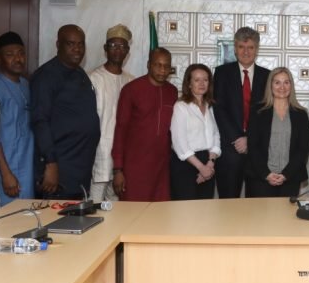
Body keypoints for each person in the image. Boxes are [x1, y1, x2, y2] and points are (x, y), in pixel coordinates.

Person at [30, 24, 100, 200]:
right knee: (56, 223)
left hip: (79, 167)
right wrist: (51, 164)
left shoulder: (80, 73)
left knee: (75, 223)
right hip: (59, 167)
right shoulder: (45, 76)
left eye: (81, 44)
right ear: (58, 44)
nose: (77, 49)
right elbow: (40, 121)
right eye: (71, 44)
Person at [111, 48, 179, 201]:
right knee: (133, 214)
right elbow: (120, 130)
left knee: (160, 215)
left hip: (162, 168)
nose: (162, 70)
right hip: (135, 166)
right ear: (148, 65)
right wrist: (118, 169)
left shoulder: (172, 91)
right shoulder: (131, 90)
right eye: (158, 65)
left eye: (166, 66)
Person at [214, 27, 271, 198]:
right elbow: (219, 109)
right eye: (241, 47)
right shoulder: (222, 73)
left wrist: (250, 139)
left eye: (251, 47)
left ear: (257, 49)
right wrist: (236, 139)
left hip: (258, 153)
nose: (246, 52)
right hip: (230, 151)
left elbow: (267, 113)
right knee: (228, 205)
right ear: (235, 48)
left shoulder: (267, 76)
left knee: (257, 208)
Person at [246, 67, 309, 198]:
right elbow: (253, 146)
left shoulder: (301, 114)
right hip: (261, 179)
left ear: (291, 86)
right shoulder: (258, 111)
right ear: (270, 85)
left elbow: (303, 149)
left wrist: (286, 174)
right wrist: (266, 174)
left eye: (286, 82)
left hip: (290, 179)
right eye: (277, 82)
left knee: (287, 217)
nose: (282, 87)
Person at [0, 32, 34, 207]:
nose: (18, 59)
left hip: (25, 167)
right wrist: (6, 174)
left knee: (26, 218)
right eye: (10, 54)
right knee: (7, 222)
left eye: (21, 53)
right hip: (6, 171)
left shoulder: (25, 84)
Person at [88, 25, 135, 201]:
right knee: (95, 204)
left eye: (122, 46)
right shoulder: (93, 78)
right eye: (113, 45)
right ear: (105, 49)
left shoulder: (131, 81)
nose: (118, 50)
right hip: (99, 153)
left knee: (117, 210)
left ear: (128, 51)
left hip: (122, 157)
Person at [170, 63, 222, 200]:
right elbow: (179, 143)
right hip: (186, 164)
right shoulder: (181, 107)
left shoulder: (209, 105)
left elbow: (216, 135)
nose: (202, 83)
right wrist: (201, 168)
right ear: (189, 83)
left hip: (208, 162)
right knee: (186, 213)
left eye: (205, 80)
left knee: (205, 212)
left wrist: (210, 163)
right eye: (197, 80)